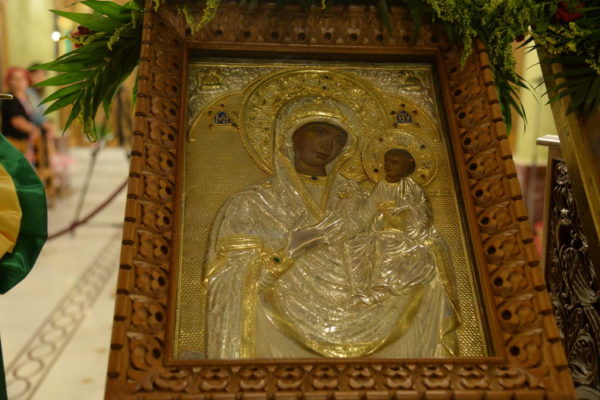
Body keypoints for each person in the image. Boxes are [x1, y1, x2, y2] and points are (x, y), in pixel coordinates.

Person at [204, 101, 459, 359]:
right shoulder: (254, 203)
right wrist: (287, 254)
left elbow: (388, 238)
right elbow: (228, 283)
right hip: (280, 326)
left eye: (339, 138)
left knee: (428, 258)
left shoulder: (357, 197)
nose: (328, 144)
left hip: (368, 306)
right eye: (319, 132)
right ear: (290, 135)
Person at [0, 67, 41, 157]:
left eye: (22, 78)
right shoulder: (9, 98)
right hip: (14, 143)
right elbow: (17, 122)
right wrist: (35, 129)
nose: (19, 81)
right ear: (9, 81)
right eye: (15, 78)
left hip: (26, 142)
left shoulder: (28, 97)